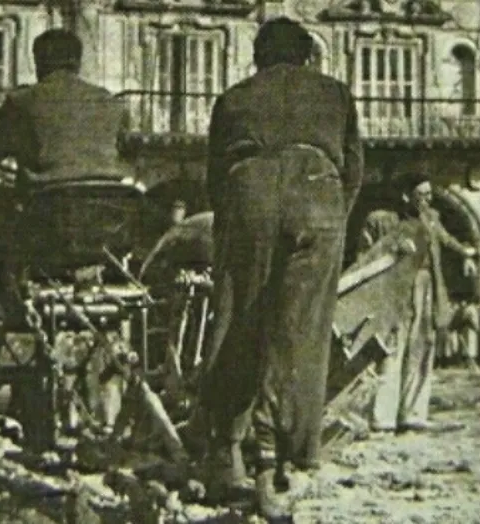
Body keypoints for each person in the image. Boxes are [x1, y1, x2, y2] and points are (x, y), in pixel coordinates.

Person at [194, 17, 363, 519]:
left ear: (258, 57)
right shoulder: (336, 93)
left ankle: (227, 450)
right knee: (301, 332)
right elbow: (354, 168)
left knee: (238, 319)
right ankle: (280, 457)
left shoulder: (233, 98)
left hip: (249, 189)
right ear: (308, 56)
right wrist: (330, 216)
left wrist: (234, 223)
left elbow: (214, 178)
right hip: (319, 189)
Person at [370, 173, 478, 432]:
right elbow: (373, 253)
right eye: (422, 195)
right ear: (406, 196)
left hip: (428, 284)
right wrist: (396, 249)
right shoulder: (387, 220)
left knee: (423, 346)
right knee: (393, 347)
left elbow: (446, 239)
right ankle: (383, 417)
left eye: (429, 194)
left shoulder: (432, 218)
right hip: (399, 287)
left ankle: (413, 414)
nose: (428, 199)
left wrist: (466, 255)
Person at [0, 29, 134, 183]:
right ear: (78, 62)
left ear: (39, 62)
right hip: (111, 194)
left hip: (50, 196)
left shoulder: (23, 101)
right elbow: (128, 150)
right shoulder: (109, 101)